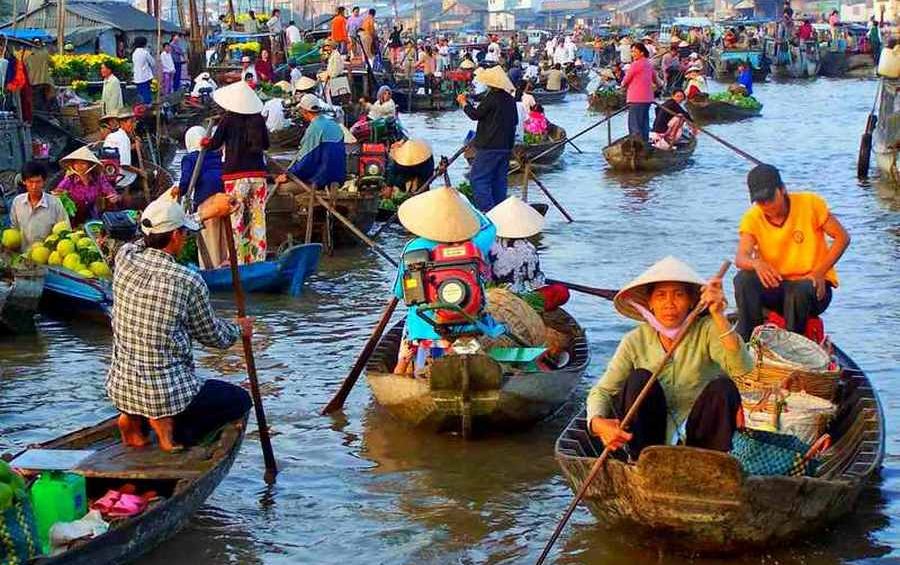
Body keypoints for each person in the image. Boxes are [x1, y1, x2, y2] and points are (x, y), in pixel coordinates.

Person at [107, 192, 253, 452]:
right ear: (176, 236)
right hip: (167, 392)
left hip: (122, 387)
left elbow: (149, 235)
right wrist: (239, 329)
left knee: (148, 375)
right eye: (183, 233)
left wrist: (208, 212)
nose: (184, 237)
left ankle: (134, 417)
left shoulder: (125, 256)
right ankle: (169, 432)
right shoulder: (188, 280)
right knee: (240, 400)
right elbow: (214, 337)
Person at [586, 256, 753, 458]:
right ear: (650, 303)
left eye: (678, 295)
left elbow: (742, 370)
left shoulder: (709, 329)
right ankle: (638, 460)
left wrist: (718, 315)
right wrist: (597, 423)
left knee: (724, 387)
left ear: (692, 301)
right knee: (639, 378)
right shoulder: (635, 340)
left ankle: (706, 463)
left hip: (699, 440)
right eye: (661, 296)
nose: (669, 304)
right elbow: (603, 390)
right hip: (648, 443)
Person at [733, 164, 850, 341]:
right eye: (761, 201)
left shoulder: (810, 204)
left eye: (770, 198)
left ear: (782, 190)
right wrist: (757, 263)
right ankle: (749, 340)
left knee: (799, 290)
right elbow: (741, 257)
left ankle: (792, 345)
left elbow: (842, 237)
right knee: (743, 279)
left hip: (813, 288)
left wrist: (820, 272)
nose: (767, 205)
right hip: (777, 286)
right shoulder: (752, 218)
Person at [392, 186, 499, 376]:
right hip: (467, 325)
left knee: (411, 324)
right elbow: (490, 226)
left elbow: (401, 293)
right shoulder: (473, 245)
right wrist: (464, 204)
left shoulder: (414, 248)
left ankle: (412, 371)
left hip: (425, 329)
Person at [204, 81, 270, 265]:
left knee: (237, 219)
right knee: (258, 218)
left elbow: (214, 144)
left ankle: (240, 261)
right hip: (258, 175)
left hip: (236, 176)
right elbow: (266, 145)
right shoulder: (258, 120)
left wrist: (205, 143)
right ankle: (258, 260)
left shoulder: (228, 119)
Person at [458, 66, 518, 212]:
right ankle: (499, 211)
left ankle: (488, 212)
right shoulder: (509, 99)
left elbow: (475, 115)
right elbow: (514, 121)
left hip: (489, 146)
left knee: (478, 179)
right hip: (505, 146)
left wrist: (464, 103)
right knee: (499, 180)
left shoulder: (492, 98)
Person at [275, 94, 346, 188]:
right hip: (339, 178)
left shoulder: (315, 128)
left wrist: (288, 175)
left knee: (283, 188)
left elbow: (307, 161)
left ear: (304, 111)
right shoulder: (334, 124)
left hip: (321, 180)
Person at [180, 126, 225, 269]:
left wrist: (177, 193)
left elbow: (185, 183)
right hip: (225, 199)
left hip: (207, 202)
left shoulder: (190, 158)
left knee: (209, 238)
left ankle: (211, 268)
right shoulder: (217, 155)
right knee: (224, 237)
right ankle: (227, 265)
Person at [486, 195, 546, 293]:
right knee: (559, 291)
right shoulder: (530, 248)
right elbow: (536, 281)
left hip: (499, 292)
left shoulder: (491, 247)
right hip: (524, 292)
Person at [9, 161, 69, 250]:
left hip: (48, 258)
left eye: (38, 182)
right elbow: (14, 229)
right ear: (24, 181)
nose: (34, 186)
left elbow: (64, 231)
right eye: (30, 182)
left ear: (44, 181)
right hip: (23, 255)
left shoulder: (55, 203)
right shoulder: (17, 202)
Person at [54, 146, 120, 225]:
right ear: (73, 165)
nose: (79, 166)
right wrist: (60, 197)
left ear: (90, 165)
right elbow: (57, 193)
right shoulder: (69, 180)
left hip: (93, 213)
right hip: (74, 216)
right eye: (76, 163)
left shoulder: (98, 178)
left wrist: (113, 196)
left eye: (83, 163)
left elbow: (109, 190)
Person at [381, 139, 434, 208]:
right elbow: (389, 185)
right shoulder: (398, 164)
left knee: (421, 195)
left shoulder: (426, 161)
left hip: (422, 172)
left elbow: (427, 180)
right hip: (405, 175)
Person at [622, 41, 656, 143]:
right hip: (648, 99)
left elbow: (625, 80)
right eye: (631, 52)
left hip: (636, 98)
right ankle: (644, 144)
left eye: (634, 51)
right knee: (644, 123)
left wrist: (622, 85)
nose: (632, 54)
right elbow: (656, 79)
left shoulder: (635, 64)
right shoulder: (649, 64)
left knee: (635, 125)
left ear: (642, 52)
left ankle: (636, 145)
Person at [101, 108, 139, 189]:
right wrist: (141, 172)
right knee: (142, 174)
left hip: (109, 172)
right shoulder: (124, 138)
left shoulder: (111, 135)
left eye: (135, 122)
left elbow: (119, 151)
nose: (134, 125)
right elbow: (125, 165)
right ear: (122, 123)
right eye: (131, 122)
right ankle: (126, 194)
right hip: (119, 176)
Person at [318, 40, 350, 105]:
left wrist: (327, 75)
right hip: (332, 80)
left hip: (336, 81)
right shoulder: (332, 55)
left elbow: (335, 72)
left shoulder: (336, 56)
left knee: (337, 101)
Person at [131, 36, 154, 104]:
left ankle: (141, 106)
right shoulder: (145, 52)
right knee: (146, 92)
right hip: (145, 76)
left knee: (140, 93)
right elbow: (153, 63)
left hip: (137, 76)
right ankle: (147, 106)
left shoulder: (134, 53)